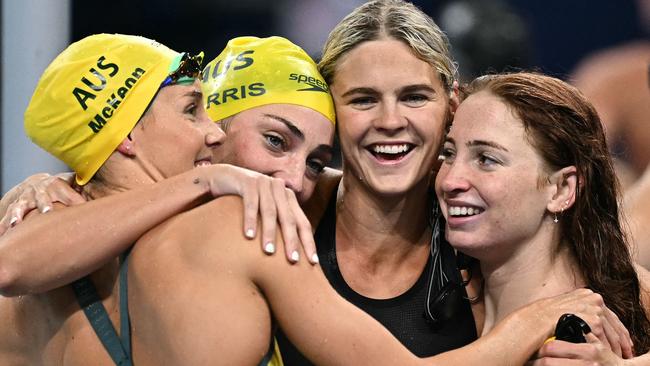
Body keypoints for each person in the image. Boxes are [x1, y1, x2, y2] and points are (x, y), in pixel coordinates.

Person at [0, 1, 633, 364]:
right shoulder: (259, 219)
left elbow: (616, 295)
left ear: (452, 104)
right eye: (361, 100)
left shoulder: (478, 220)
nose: (290, 176)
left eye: (413, 96)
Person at [435, 71, 650, 360]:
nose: (450, 181)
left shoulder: (575, 347)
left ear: (561, 189)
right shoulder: (441, 292)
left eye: (486, 159)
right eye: (448, 154)